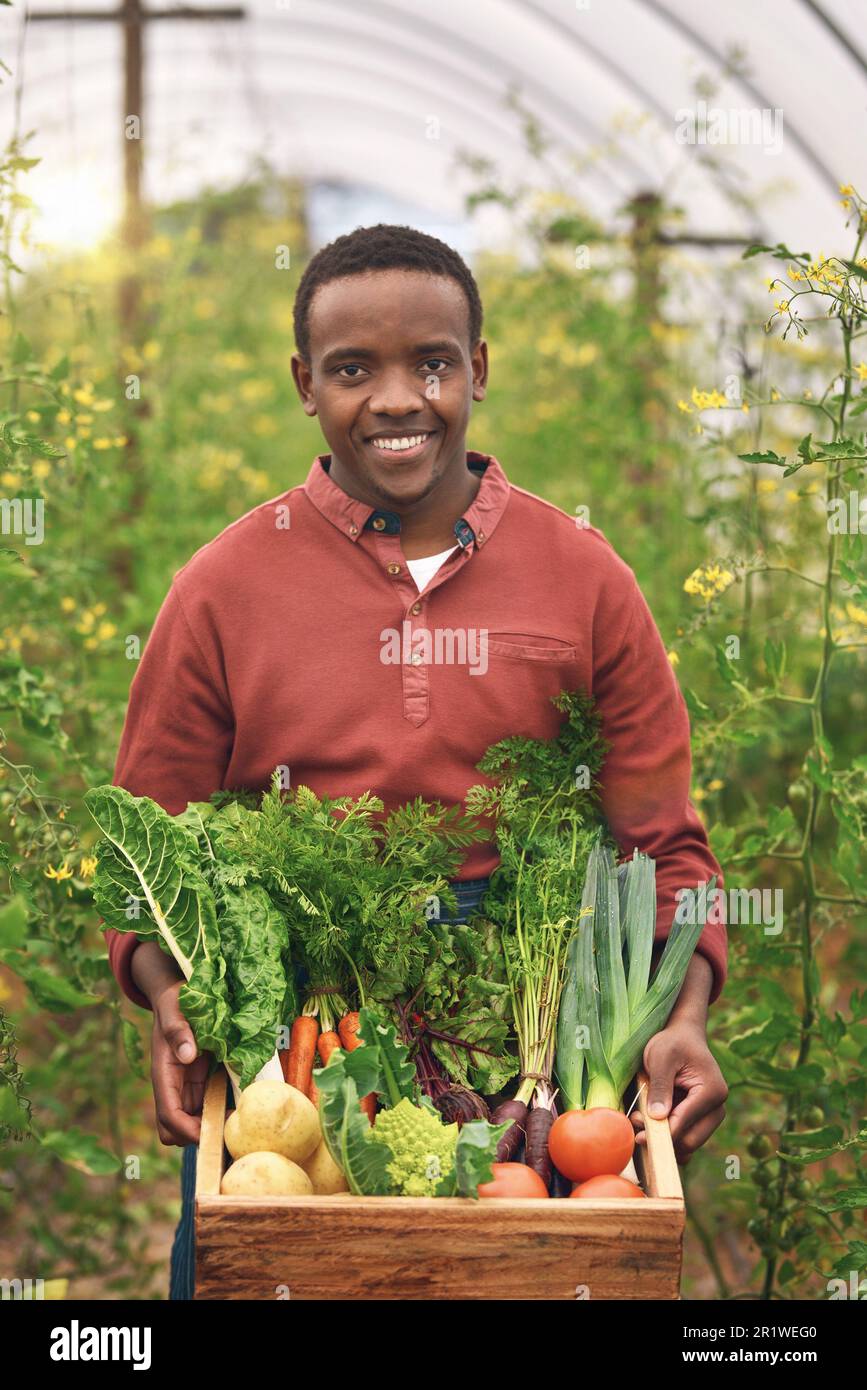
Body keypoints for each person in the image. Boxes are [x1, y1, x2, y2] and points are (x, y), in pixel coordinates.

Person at [104, 222, 728, 1299]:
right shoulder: (224, 587)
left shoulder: (582, 576)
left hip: (537, 1010)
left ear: (477, 369)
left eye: (432, 363)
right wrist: (168, 993)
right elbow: (143, 859)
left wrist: (682, 1017)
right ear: (306, 384)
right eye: (354, 369)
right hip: (302, 1044)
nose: (398, 400)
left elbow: (664, 843)